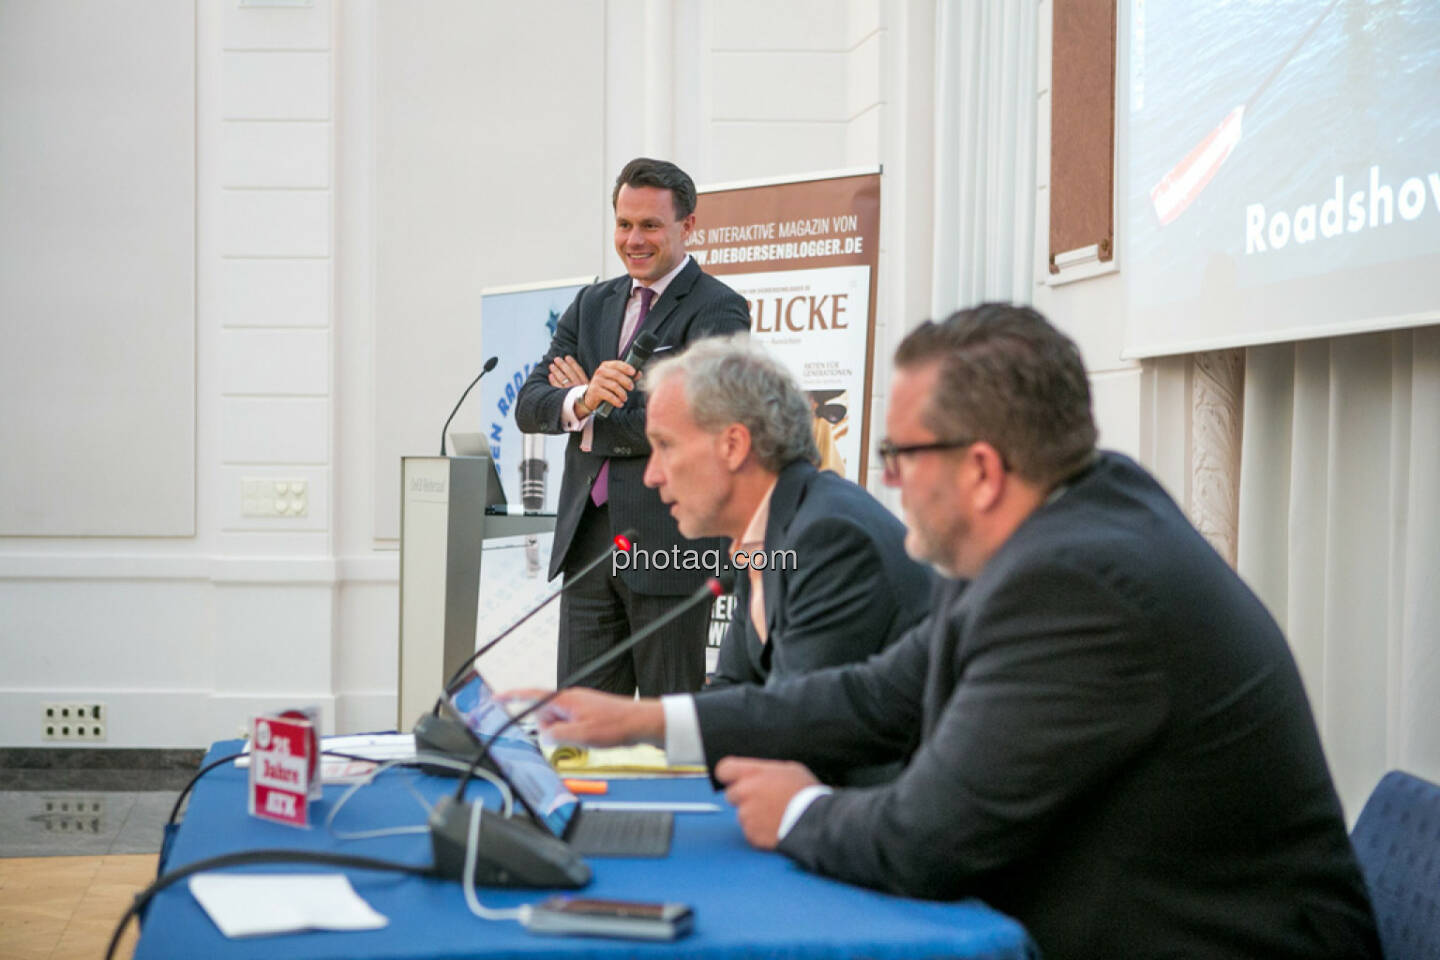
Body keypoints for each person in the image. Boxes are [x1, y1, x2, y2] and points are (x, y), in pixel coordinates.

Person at [515, 304, 1381, 958]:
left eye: (901, 456)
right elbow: (878, 695)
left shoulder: (1075, 581)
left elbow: (924, 841)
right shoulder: (1065, 525)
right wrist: (642, 722)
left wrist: (801, 809)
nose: (886, 480)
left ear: (980, 469)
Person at [640, 336, 933, 783]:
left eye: (665, 445)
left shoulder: (829, 535)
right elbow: (735, 687)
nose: (651, 475)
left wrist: (640, 723)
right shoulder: (767, 529)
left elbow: (793, 728)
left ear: (734, 445)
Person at [514, 158, 749, 696]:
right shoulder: (592, 302)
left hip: (668, 543)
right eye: (624, 224)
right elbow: (530, 403)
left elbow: (699, 423)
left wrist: (589, 414)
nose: (633, 239)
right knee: (581, 729)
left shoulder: (719, 310)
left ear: (687, 226)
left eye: (649, 225)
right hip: (588, 542)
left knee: (666, 731)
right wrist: (583, 396)